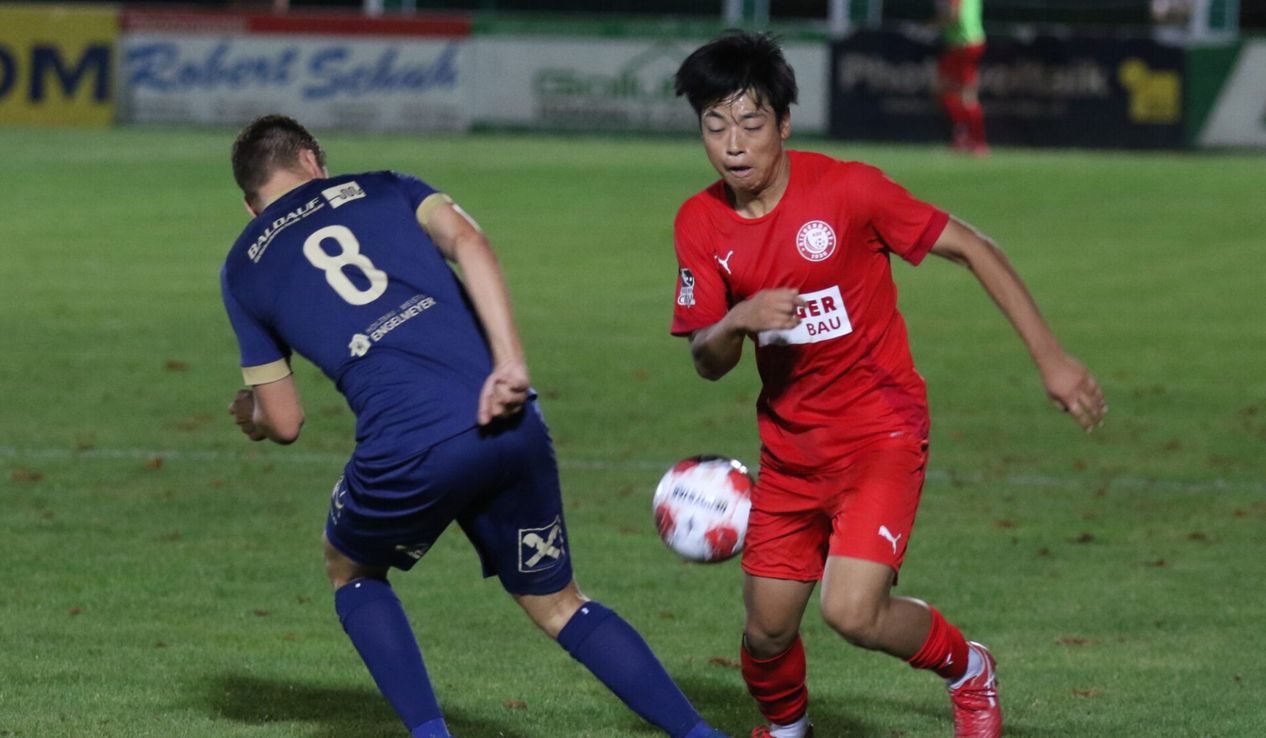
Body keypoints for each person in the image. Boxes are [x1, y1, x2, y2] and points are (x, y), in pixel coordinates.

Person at [220, 114, 728, 738]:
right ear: (311, 160)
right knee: (560, 604)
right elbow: (471, 243)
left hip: (407, 448)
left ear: (251, 205)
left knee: (349, 567)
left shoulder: (243, 267)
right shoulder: (388, 185)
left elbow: (286, 422)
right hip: (508, 419)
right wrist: (511, 364)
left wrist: (251, 414)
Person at [670, 33, 1106, 738]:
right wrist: (738, 321)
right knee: (767, 634)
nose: (733, 145)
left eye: (751, 124)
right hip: (788, 451)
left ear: (783, 124)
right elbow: (705, 359)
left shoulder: (848, 190)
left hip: (881, 432)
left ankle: (969, 671)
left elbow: (972, 246)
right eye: (714, 126)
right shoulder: (699, 222)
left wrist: (1051, 358)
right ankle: (789, 731)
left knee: (853, 612)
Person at [934, 0, 989, 154]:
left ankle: (977, 141)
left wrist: (929, 27)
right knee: (952, 93)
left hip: (963, 45)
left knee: (964, 96)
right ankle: (965, 136)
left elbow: (953, 16)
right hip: (970, 43)